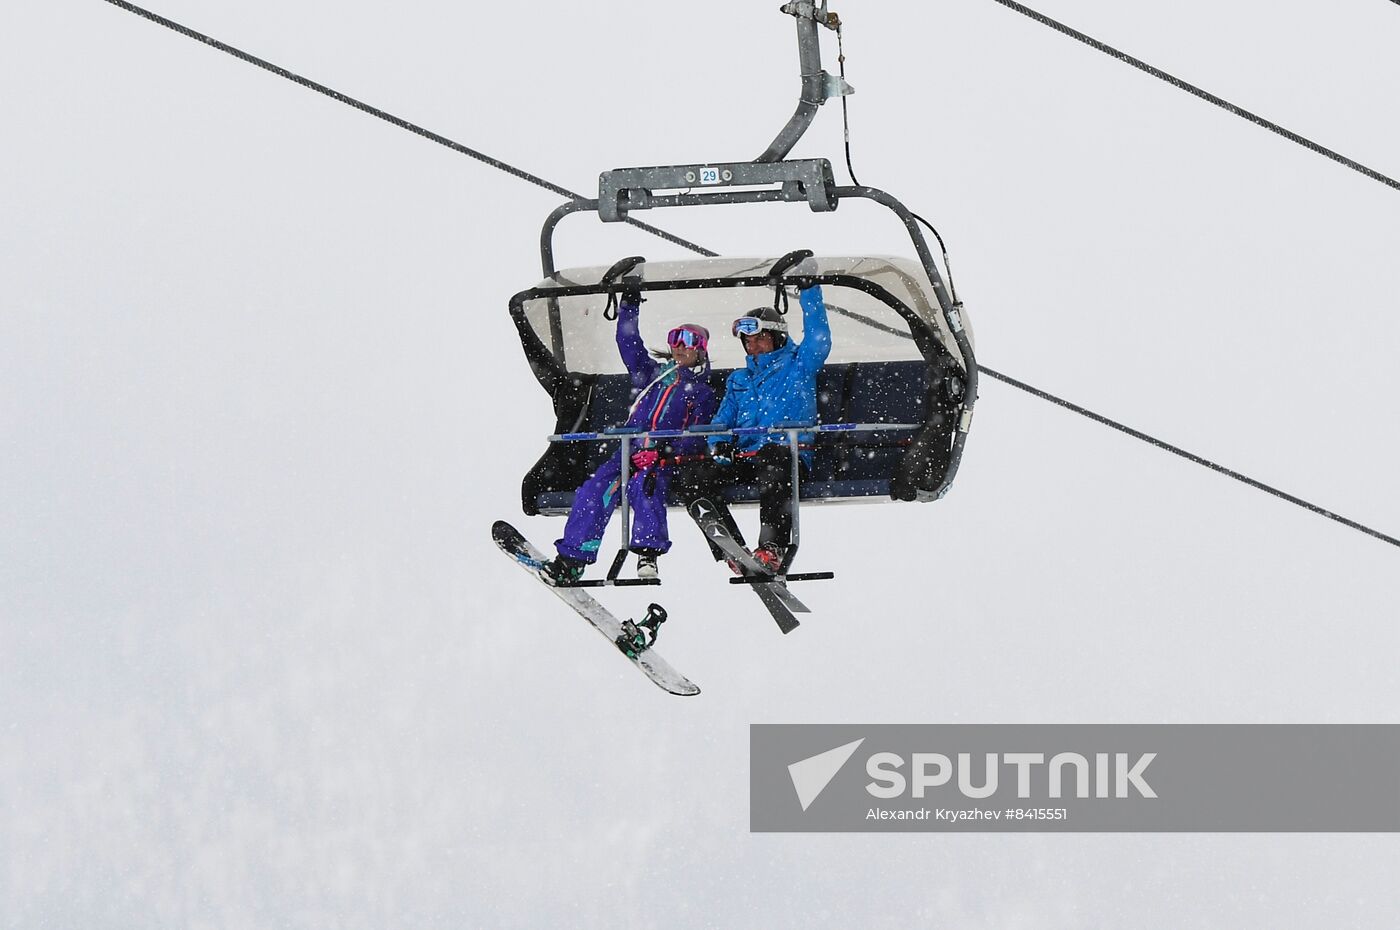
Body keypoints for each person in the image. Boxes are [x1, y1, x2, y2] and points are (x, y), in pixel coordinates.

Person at [544, 291, 718, 584]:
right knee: (594, 490)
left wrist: (664, 452)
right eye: (675, 338)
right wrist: (629, 306)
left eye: (687, 341)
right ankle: (574, 559)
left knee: (644, 485)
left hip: (662, 459)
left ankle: (647, 553)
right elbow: (628, 344)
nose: (678, 346)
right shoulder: (652, 376)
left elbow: (696, 434)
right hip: (629, 450)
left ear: (700, 349)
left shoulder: (701, 391)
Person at [678, 262, 831, 573]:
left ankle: (771, 546)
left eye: (759, 337)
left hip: (788, 455)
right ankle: (731, 548)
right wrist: (719, 444)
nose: (752, 345)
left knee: (775, 458)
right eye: (748, 340)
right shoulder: (740, 379)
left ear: (776, 338)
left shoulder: (799, 365)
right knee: (694, 477)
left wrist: (809, 289)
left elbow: (819, 338)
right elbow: (722, 421)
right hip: (747, 457)